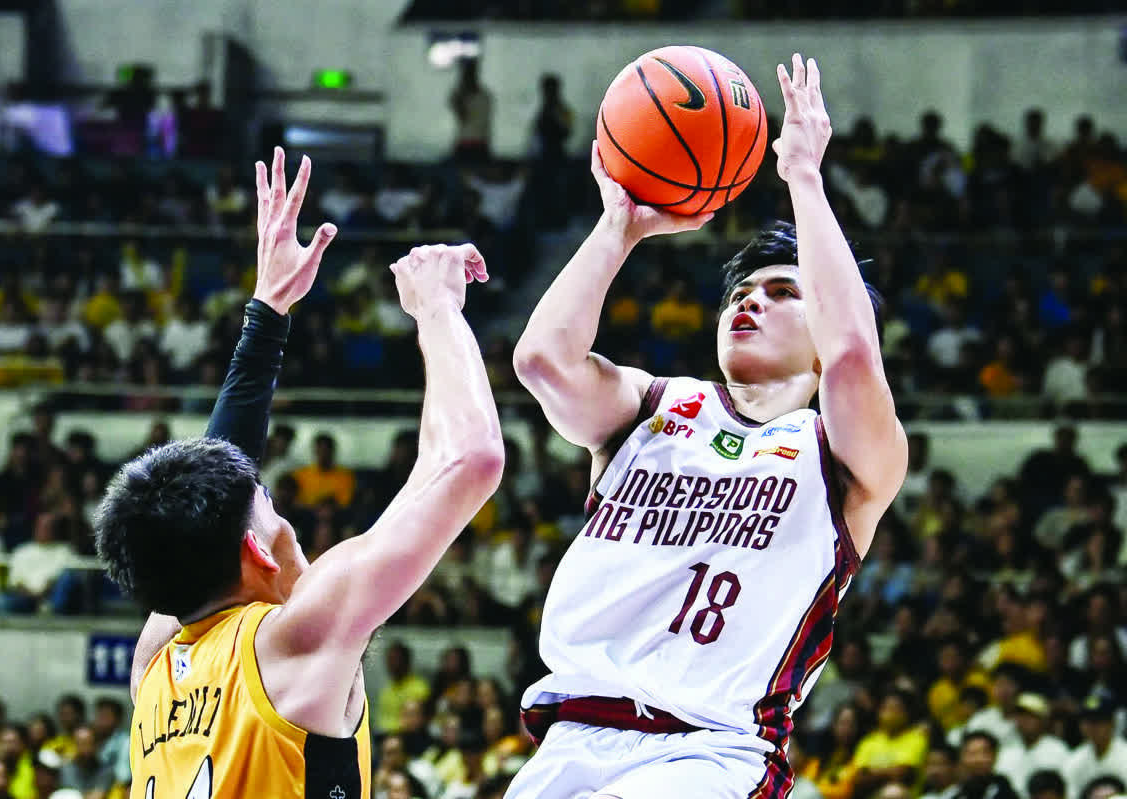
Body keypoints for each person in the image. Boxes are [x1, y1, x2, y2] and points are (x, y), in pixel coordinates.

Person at [507, 55, 907, 799]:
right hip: (570, 741)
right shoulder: (653, 405)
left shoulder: (843, 454)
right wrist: (618, 227)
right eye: (739, 294)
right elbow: (542, 362)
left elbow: (853, 353)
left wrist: (806, 179)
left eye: (782, 291)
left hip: (710, 753)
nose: (747, 303)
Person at [95, 148, 504, 799]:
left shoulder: (154, 661)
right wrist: (436, 309)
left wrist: (268, 310)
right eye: (260, 492)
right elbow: (470, 459)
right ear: (255, 546)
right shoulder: (292, 639)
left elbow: (214, 483)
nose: (262, 483)